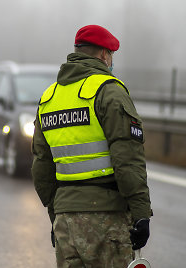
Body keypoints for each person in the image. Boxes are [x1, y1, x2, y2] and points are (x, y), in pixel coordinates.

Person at [32, 25, 152, 267]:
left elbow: (41, 169)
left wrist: (57, 215)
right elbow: (127, 159)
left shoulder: (50, 98)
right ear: (103, 55)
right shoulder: (109, 91)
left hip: (65, 221)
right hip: (106, 218)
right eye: (111, 56)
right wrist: (141, 213)